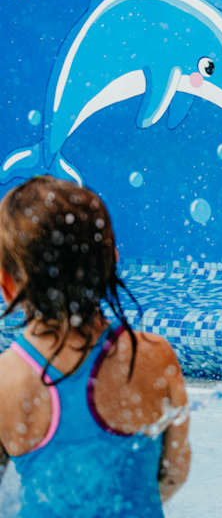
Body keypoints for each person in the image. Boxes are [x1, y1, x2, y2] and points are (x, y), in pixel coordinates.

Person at [0, 176, 190, 516]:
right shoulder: (153, 357)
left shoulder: (5, 381)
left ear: (6, 285)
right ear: (112, 262)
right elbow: (174, 472)